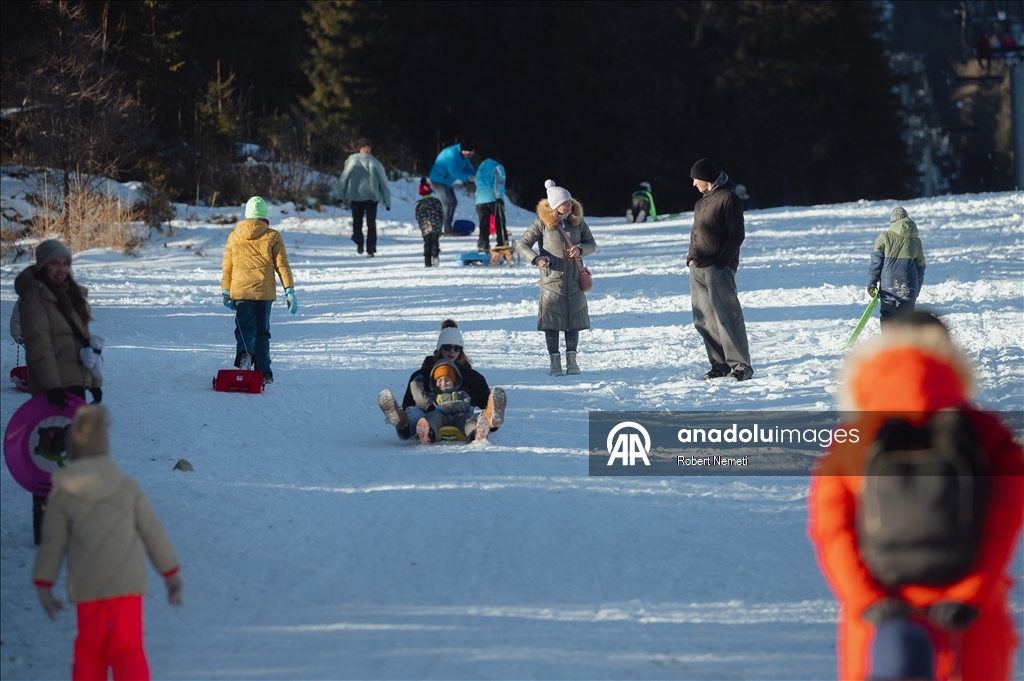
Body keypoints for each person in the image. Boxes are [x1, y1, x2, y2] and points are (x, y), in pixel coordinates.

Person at [808, 313, 1024, 681]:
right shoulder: (985, 434)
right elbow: (1004, 520)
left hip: (884, 626)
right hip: (968, 623)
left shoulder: (853, 438)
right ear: (950, 360)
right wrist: (972, 592)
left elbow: (832, 531)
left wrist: (868, 601)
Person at [32, 405, 184, 680]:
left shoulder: (62, 494)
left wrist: (44, 584)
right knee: (129, 650)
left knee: (90, 651)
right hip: (128, 586)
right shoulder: (127, 487)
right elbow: (153, 532)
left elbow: (52, 544)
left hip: (88, 586)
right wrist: (170, 574)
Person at [14, 238, 102, 545]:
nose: (61, 269)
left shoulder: (70, 294)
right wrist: (51, 386)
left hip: (75, 387)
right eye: (55, 263)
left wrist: (94, 384)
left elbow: (83, 344)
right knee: (49, 459)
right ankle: (46, 527)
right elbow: (39, 347)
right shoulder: (33, 297)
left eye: (65, 263)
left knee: (73, 457)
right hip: (52, 391)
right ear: (42, 266)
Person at [516, 180, 596, 376]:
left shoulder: (577, 221)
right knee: (552, 322)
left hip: (574, 278)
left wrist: (580, 249)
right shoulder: (541, 224)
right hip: (552, 280)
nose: (569, 205)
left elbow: (591, 243)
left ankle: (572, 361)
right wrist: (536, 259)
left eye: (569, 201)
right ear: (554, 206)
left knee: (573, 320)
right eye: (564, 202)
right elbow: (521, 245)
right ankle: (555, 362)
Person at [378, 320, 506, 440]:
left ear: (461, 350)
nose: (452, 351)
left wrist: (487, 409)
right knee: (415, 414)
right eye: (447, 348)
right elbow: (409, 403)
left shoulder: (472, 376)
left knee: (475, 417)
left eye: (457, 348)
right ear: (440, 348)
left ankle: (488, 421)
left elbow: (483, 400)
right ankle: (400, 419)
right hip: (428, 415)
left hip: (461, 413)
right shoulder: (422, 374)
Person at [686, 158, 753, 381]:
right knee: (704, 319)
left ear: (706, 177)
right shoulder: (700, 203)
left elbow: (737, 233)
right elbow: (696, 233)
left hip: (718, 268)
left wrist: (723, 261)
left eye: (696, 179)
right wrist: (690, 258)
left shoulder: (728, 198)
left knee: (727, 315)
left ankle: (741, 365)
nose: (694, 183)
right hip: (698, 267)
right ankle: (720, 364)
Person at [221, 196, 297, 385]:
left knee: (245, 328)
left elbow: (227, 267)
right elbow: (282, 265)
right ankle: (264, 372)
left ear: (247, 215)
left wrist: (225, 291)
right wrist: (289, 290)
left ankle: (245, 355)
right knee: (263, 332)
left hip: (241, 293)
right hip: (264, 294)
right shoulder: (273, 235)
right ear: (264, 216)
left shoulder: (234, 235)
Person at [867, 206, 926, 328]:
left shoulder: (884, 237)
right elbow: (921, 267)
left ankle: (890, 343)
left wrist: (872, 282)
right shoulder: (916, 241)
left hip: (888, 283)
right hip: (909, 283)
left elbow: (876, 263)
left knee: (888, 315)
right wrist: (917, 288)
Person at [336, 138, 391, 257]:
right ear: (359, 148)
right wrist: (340, 195)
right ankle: (361, 243)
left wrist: (388, 202)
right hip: (357, 196)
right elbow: (343, 179)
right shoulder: (356, 161)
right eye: (364, 147)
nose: (366, 149)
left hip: (369, 197)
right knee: (359, 223)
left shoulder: (372, 162)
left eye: (368, 147)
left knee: (368, 223)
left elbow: (384, 182)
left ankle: (369, 248)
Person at [411, 360, 489, 444]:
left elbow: (464, 404)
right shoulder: (432, 396)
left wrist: (444, 407)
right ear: (434, 382)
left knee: (467, 419)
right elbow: (421, 399)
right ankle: (427, 434)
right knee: (432, 417)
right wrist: (416, 385)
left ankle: (476, 433)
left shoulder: (461, 394)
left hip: (458, 415)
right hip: (439, 417)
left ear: (454, 381)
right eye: (439, 380)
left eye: (447, 380)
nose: (443, 383)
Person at [428, 140, 476, 235]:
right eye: (467, 153)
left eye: (471, 153)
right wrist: (468, 178)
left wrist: (479, 176)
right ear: (462, 150)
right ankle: (447, 229)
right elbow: (453, 172)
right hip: (438, 179)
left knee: (453, 201)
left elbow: (469, 168)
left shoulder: (464, 157)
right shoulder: (452, 154)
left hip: (447, 181)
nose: (469, 155)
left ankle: (447, 227)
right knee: (448, 202)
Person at [474, 149, 508, 252]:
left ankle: (483, 244)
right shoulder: (498, 167)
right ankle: (502, 243)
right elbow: (499, 182)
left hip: (480, 200)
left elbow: (476, 180)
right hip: (493, 199)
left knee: (483, 223)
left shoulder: (481, 167)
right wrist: (499, 197)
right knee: (500, 222)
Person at [415, 178, 444, 267]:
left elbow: (418, 217)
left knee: (427, 242)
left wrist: (421, 226)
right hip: (436, 225)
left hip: (425, 227)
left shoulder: (420, 204)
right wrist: (440, 224)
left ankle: (427, 261)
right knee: (435, 241)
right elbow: (441, 213)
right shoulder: (436, 201)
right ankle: (435, 256)